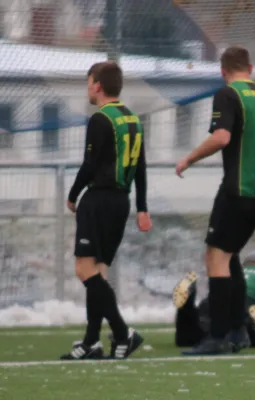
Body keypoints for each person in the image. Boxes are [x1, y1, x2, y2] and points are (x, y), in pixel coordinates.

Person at [175, 46, 255, 355]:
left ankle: (217, 337)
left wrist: (188, 159)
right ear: (251, 68)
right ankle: (238, 330)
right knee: (231, 255)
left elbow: (221, 137)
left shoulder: (228, 94)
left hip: (238, 191)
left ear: (223, 71)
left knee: (216, 257)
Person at [61, 61, 152, 360]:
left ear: (98, 85)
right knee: (98, 272)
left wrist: (73, 195)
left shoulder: (101, 119)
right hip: (121, 202)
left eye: (89, 82)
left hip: (98, 200)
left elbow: (90, 166)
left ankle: (123, 333)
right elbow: (140, 166)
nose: (88, 88)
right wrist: (142, 207)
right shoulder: (133, 120)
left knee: (84, 270)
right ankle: (91, 342)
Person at [173, 251, 255, 349]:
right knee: (241, 334)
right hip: (245, 304)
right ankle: (254, 325)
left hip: (215, 299)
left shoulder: (234, 272)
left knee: (190, 336)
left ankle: (187, 304)